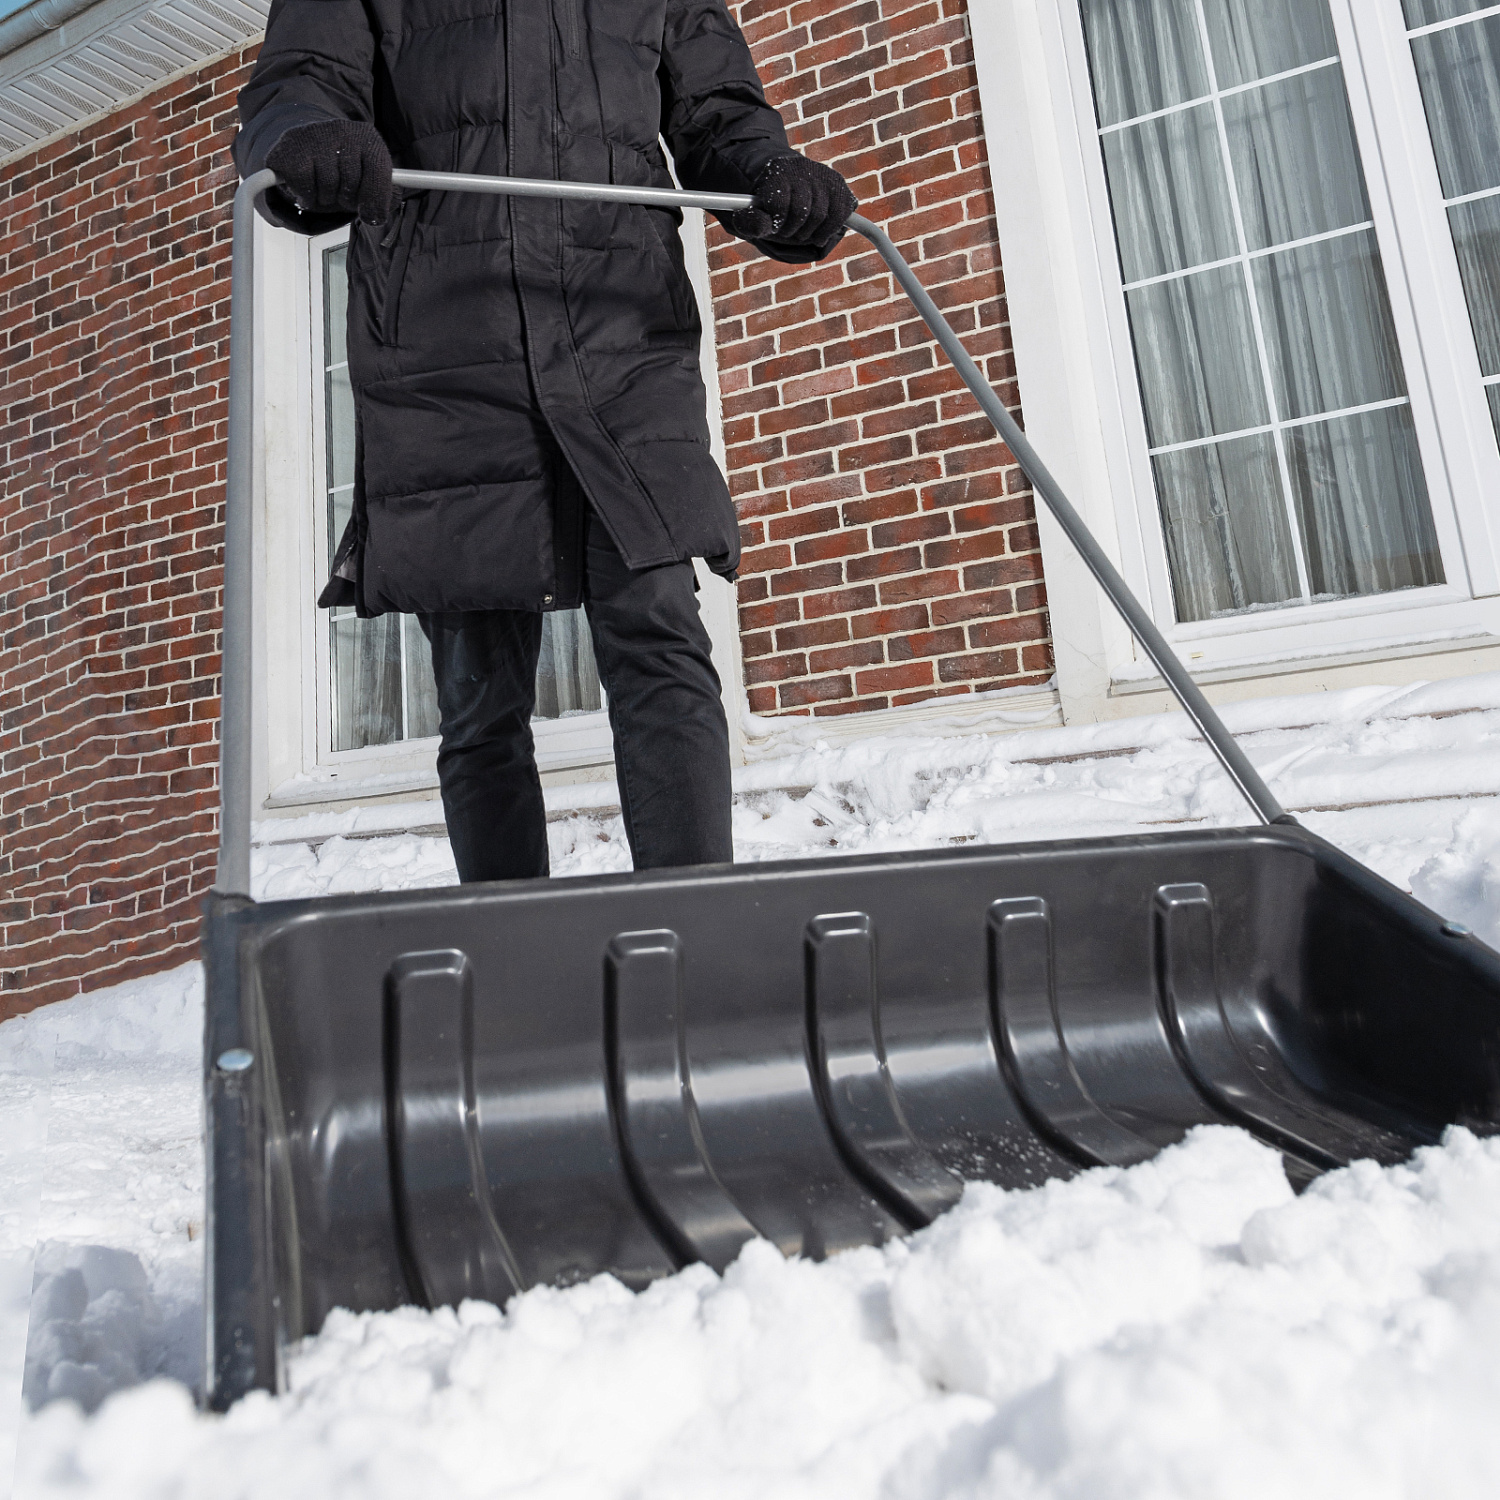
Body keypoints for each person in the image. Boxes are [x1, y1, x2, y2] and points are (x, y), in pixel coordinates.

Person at [234, 0, 855, 882]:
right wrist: (307, 141)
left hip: (620, 331)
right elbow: (299, 85)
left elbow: (718, 114)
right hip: (449, 341)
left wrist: (772, 176)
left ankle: (696, 937)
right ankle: (512, 958)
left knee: (660, 625)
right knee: (480, 690)